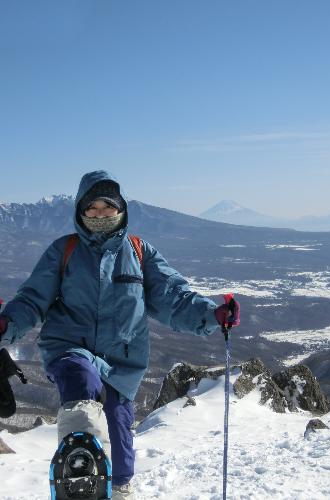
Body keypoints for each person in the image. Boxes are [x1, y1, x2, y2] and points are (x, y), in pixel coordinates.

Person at [0, 170, 240, 499]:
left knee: (120, 444)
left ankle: (120, 489)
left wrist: (212, 315)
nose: (100, 214)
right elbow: (31, 300)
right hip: (70, 349)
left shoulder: (140, 253)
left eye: (107, 207)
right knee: (81, 384)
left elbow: (175, 298)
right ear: (80, 211)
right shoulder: (64, 251)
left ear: (121, 209)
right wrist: (6, 325)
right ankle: (76, 470)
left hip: (122, 367)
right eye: (92, 208)